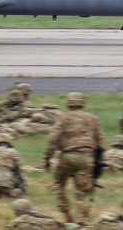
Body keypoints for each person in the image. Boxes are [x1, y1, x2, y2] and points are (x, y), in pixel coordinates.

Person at [42, 92, 104, 223]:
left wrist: (47, 158)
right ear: (82, 104)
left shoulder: (63, 119)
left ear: (68, 104)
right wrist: (99, 163)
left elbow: (53, 139)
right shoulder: (93, 119)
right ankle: (82, 220)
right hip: (87, 158)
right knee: (82, 192)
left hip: (68, 157)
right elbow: (100, 143)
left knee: (58, 184)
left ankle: (67, 216)